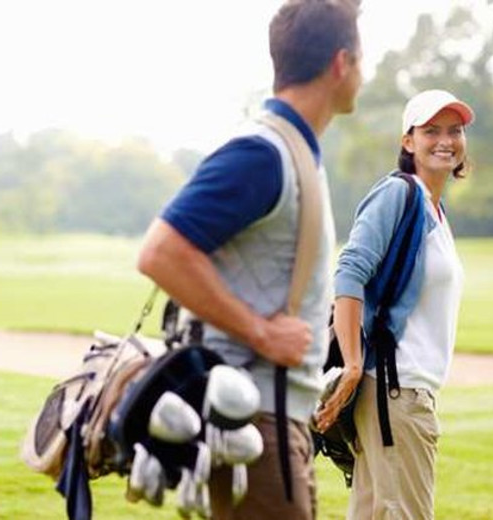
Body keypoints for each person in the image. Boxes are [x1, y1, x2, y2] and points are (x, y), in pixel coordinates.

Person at [137, 1, 363, 518]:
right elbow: (160, 252)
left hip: (277, 417)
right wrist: (260, 333)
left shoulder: (295, 151)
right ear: (340, 64)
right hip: (255, 418)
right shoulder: (264, 153)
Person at [315, 88, 474, 520]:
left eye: (455, 130)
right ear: (408, 142)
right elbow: (349, 273)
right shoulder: (398, 194)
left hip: (398, 392)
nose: (446, 140)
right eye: (431, 131)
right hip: (396, 392)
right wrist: (351, 365)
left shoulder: (433, 211)